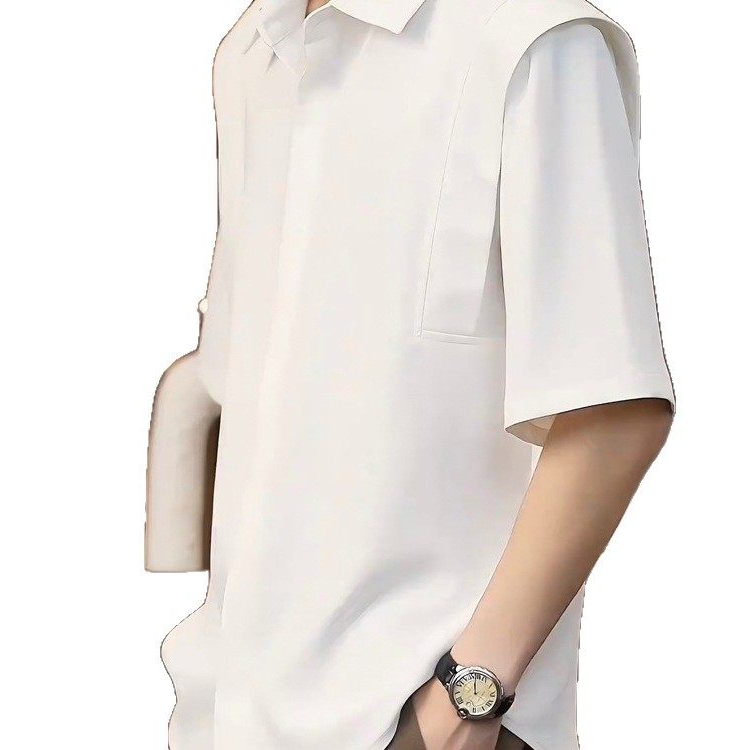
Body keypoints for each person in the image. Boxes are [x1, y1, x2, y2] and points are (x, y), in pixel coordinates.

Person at [145, 0, 675, 748]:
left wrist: (467, 700)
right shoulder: (255, 51)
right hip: (227, 712)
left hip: (418, 715)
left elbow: (613, 411)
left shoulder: (529, 39)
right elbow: (247, 379)